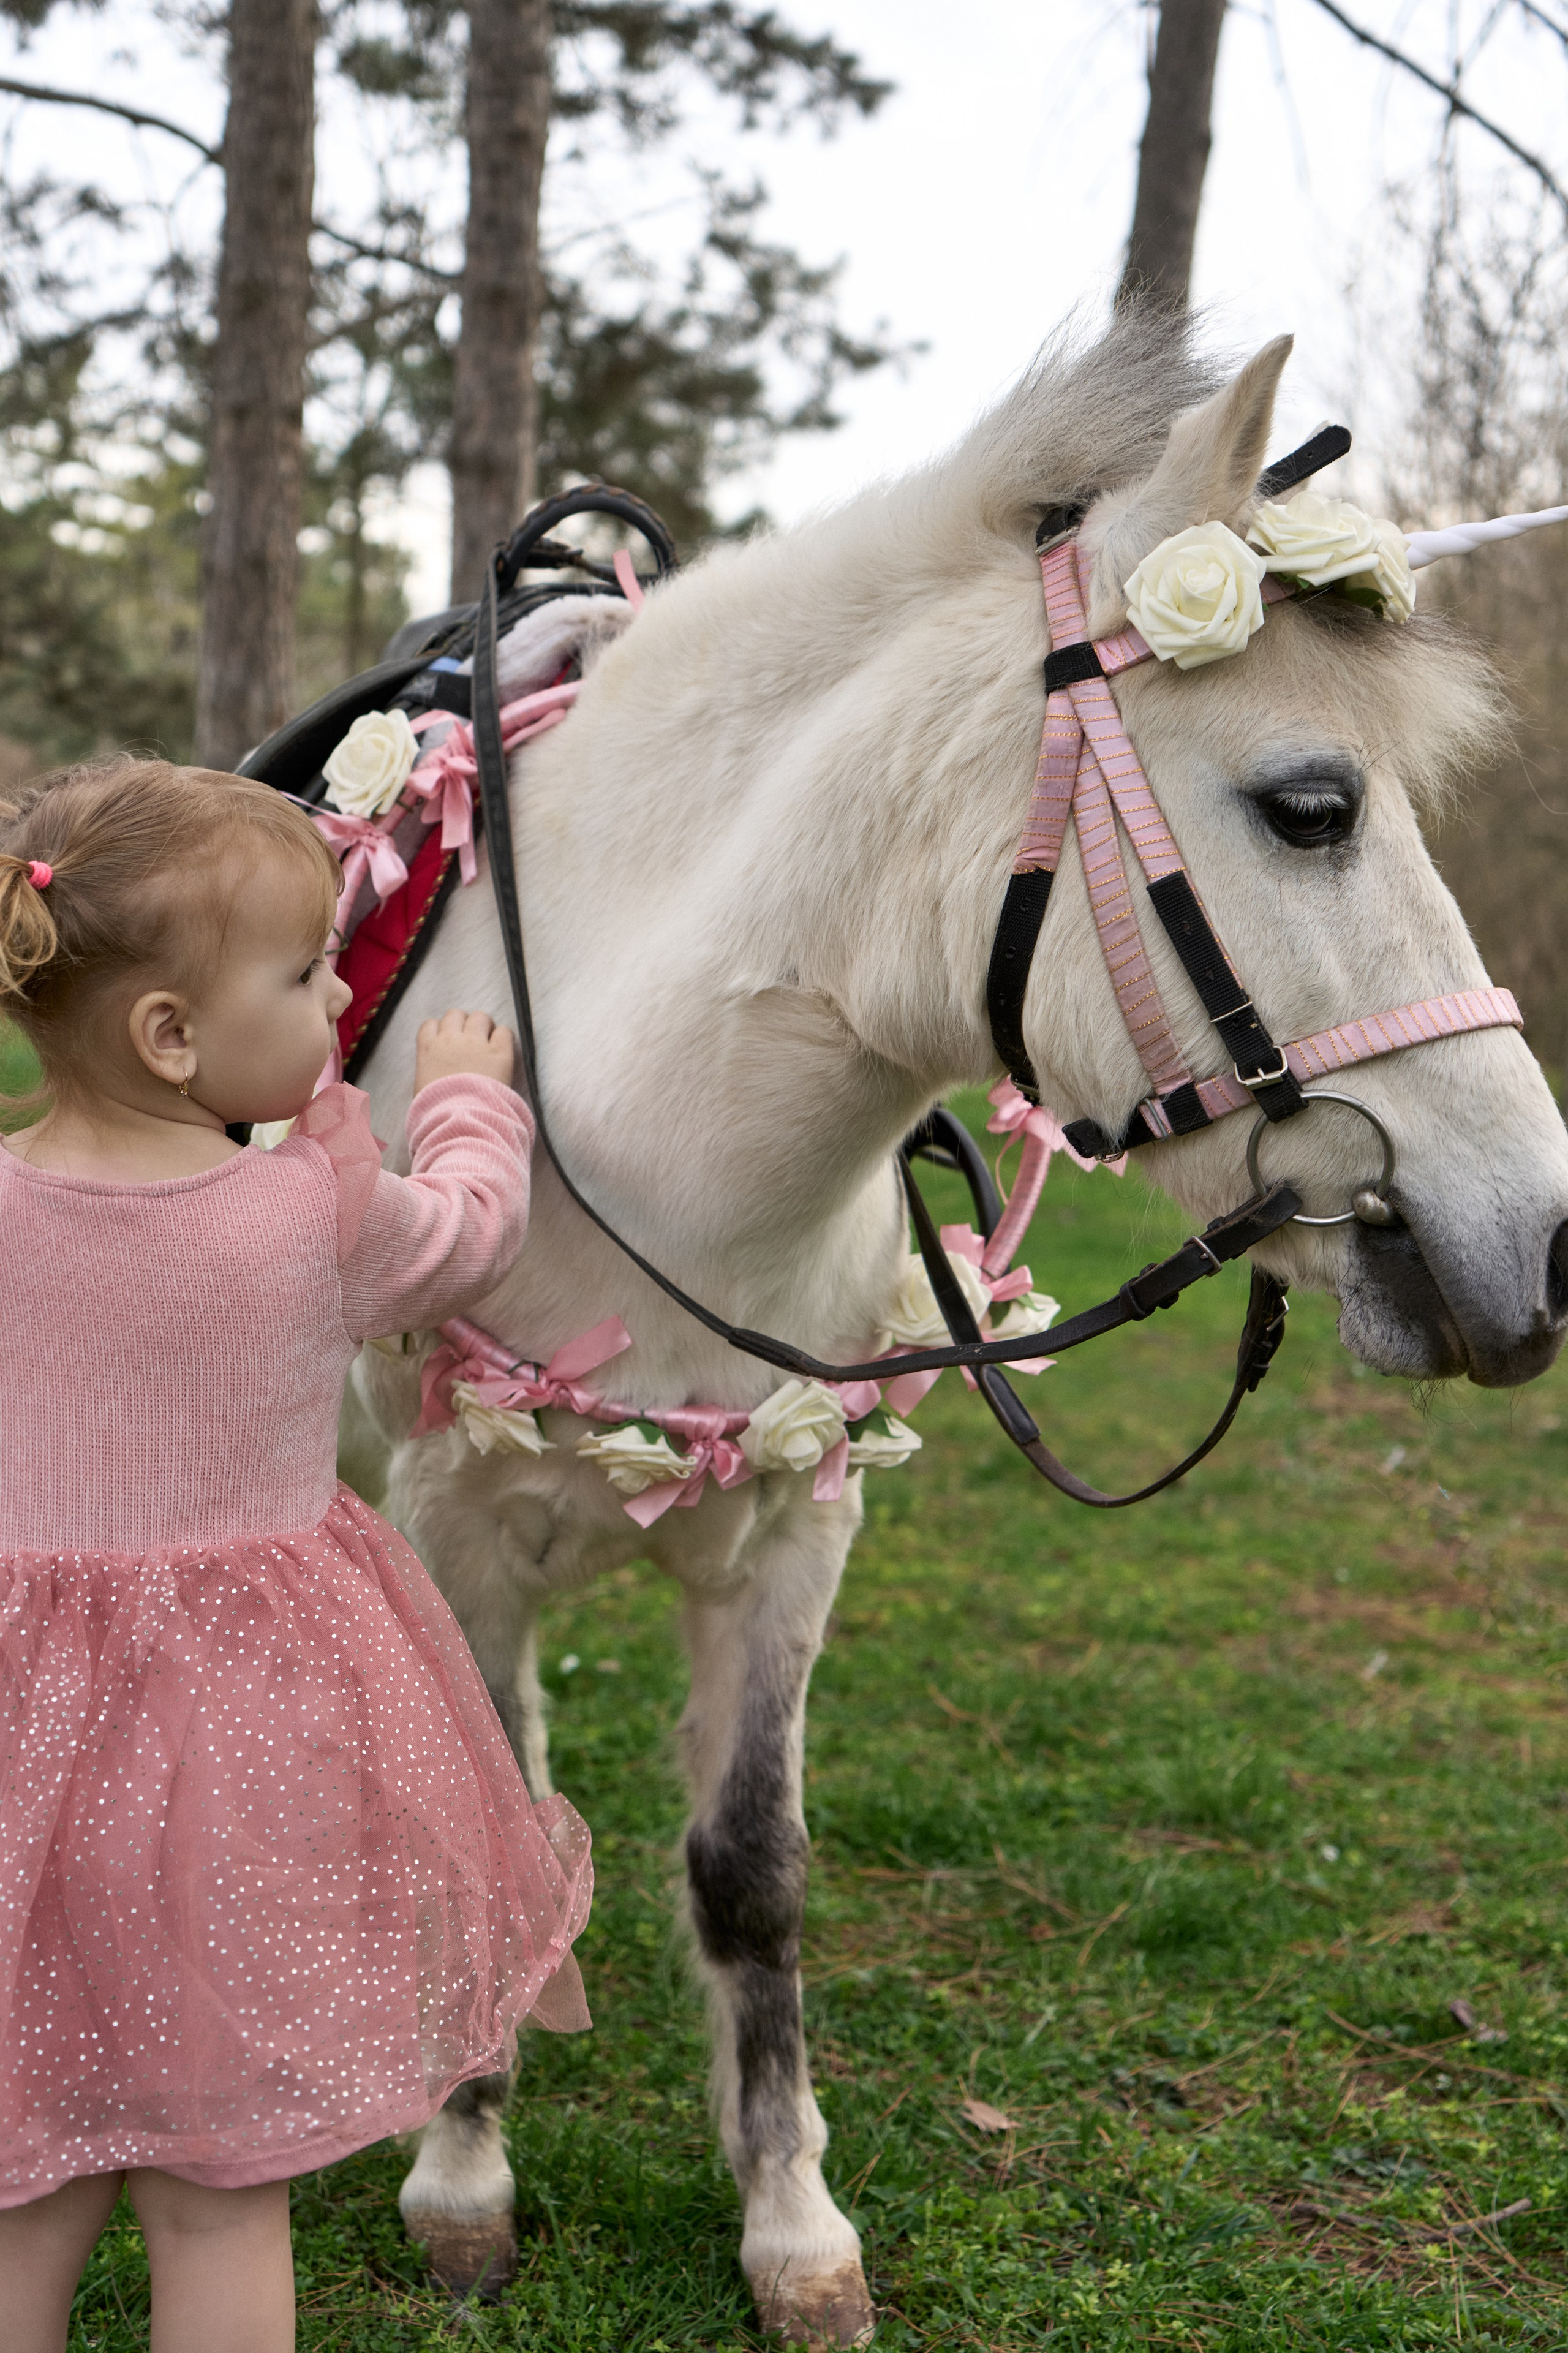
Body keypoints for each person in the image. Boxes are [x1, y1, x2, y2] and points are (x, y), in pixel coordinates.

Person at [0, 759, 592, 2353]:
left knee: (24, 2168)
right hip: (227, 1767)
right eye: (308, 968)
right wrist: (467, 1090)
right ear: (173, 1036)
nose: (343, 991)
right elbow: (470, 1230)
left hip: (18, 1763)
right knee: (218, 2188)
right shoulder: (309, 1212)